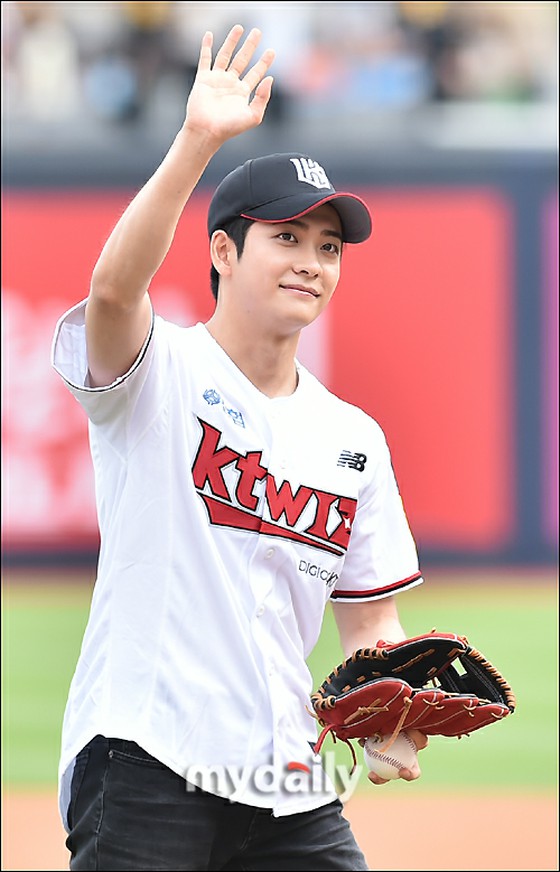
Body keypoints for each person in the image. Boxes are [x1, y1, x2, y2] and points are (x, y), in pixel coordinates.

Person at [51, 24, 428, 872]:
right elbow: (113, 291)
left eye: (329, 247)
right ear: (222, 250)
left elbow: (372, 620)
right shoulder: (159, 370)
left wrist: (386, 710)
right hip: (148, 755)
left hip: (289, 780)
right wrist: (197, 141)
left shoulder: (353, 439)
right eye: (286, 238)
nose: (313, 262)